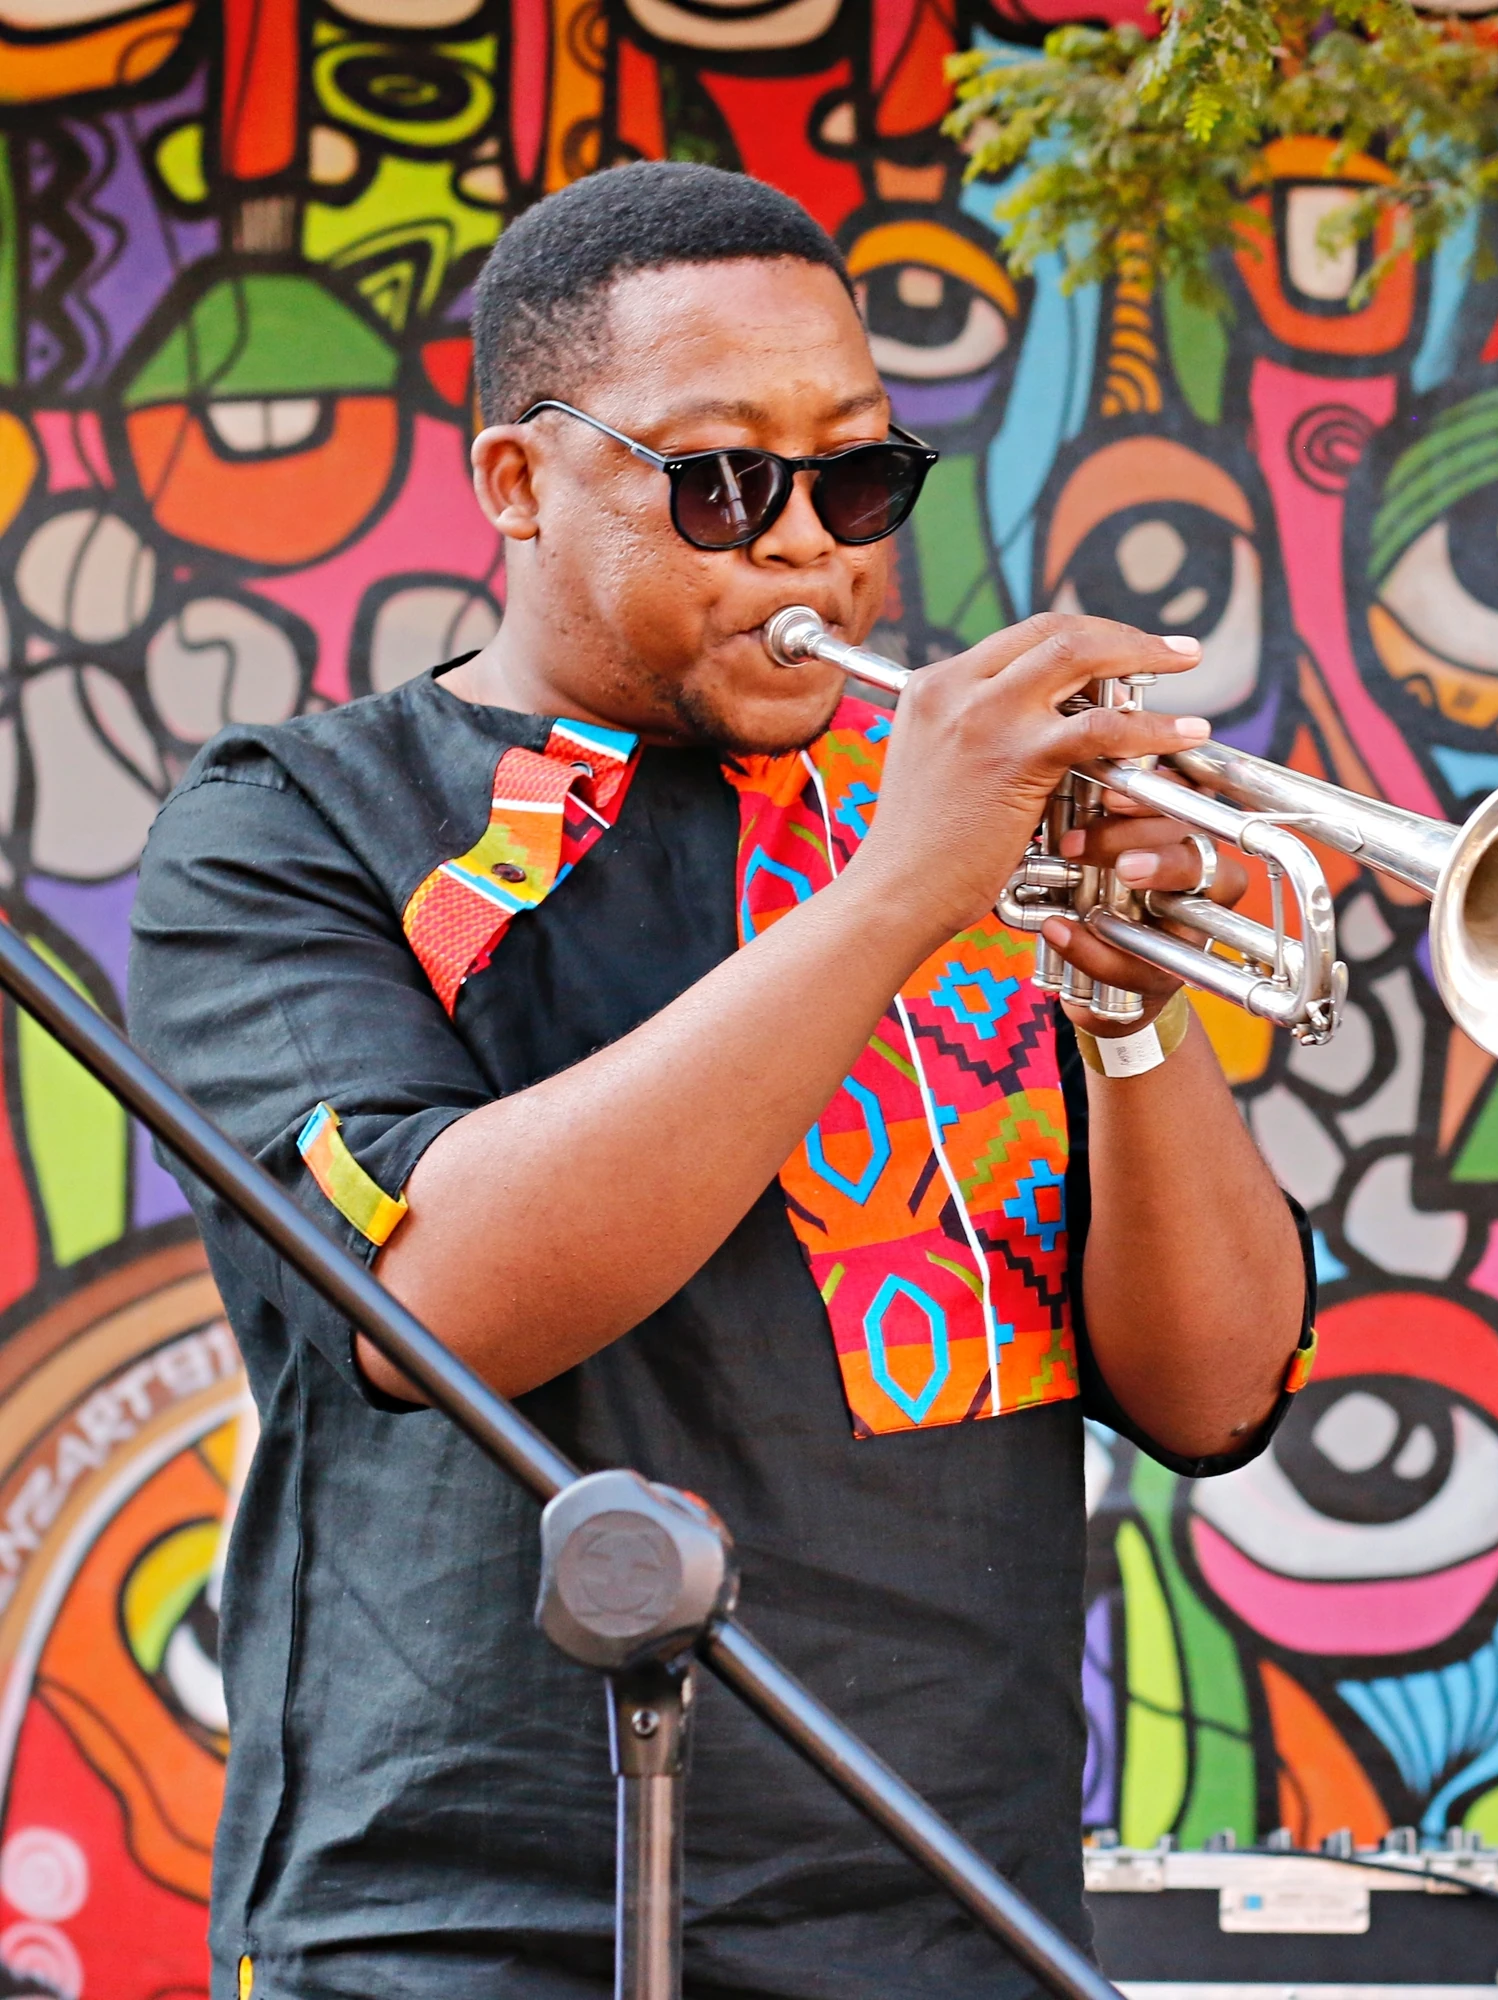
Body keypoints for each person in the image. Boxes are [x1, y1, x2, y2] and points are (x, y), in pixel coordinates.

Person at [129, 162, 1311, 1999]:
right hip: (472, 1926)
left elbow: (1217, 1393)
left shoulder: (964, 847)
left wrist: (1134, 1013)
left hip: (959, 1916)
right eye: (719, 480)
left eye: (853, 477)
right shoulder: (296, 821)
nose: (803, 545)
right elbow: (430, 1301)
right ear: (518, 483)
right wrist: (904, 889)